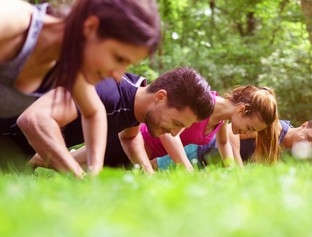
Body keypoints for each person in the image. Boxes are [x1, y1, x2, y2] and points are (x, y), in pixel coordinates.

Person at [0, 0, 161, 176]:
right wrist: (75, 172)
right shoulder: (14, 20)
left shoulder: (68, 65)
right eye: (119, 58)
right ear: (90, 27)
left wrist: (92, 173)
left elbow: (94, 112)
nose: (118, 74)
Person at [2, 67, 214, 175]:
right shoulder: (106, 90)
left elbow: (130, 138)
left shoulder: (136, 105)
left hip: (13, 157)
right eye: (177, 122)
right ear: (160, 97)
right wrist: (77, 174)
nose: (174, 134)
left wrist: (148, 174)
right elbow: (35, 119)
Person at [99, 86, 280, 171]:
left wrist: (233, 172)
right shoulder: (203, 103)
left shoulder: (221, 120)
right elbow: (168, 133)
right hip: (132, 141)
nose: (248, 134)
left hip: (142, 156)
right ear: (241, 109)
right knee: (78, 166)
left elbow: (224, 143)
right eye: (249, 127)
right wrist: (187, 168)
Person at [153, 114, 312, 170]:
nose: (307, 145)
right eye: (308, 138)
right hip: (200, 152)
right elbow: (232, 134)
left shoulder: (284, 144)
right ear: (303, 125)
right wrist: (238, 172)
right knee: (149, 166)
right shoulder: (275, 129)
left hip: (208, 163)